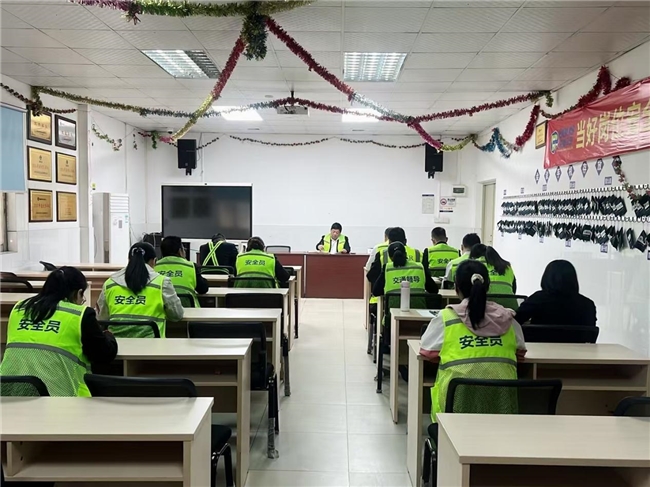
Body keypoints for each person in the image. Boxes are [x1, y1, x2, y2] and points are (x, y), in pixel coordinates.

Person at [420, 259, 526, 428]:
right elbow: (520, 355)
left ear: (456, 288)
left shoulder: (446, 318)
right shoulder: (508, 319)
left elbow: (428, 353)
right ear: (488, 286)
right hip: (502, 416)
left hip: (453, 417)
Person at [0, 267, 117, 396]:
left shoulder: (19, 308)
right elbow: (104, 355)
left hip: (10, 393)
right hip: (59, 396)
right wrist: (109, 335)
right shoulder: (80, 315)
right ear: (78, 293)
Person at [97, 242, 184, 338]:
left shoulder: (110, 283)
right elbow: (177, 315)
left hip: (116, 343)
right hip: (153, 343)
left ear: (129, 260)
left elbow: (101, 317)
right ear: (154, 261)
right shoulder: (162, 282)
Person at [515, 260, 597, 327]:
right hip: (576, 343)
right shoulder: (588, 304)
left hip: (541, 342)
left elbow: (515, 320)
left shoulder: (537, 299)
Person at [155, 236, 209, 307]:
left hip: (160, 309)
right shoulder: (191, 266)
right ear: (180, 251)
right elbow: (203, 289)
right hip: (188, 308)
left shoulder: (154, 267)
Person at [372, 242, 438, 297]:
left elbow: (376, 292)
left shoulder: (387, 268)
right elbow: (434, 290)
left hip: (393, 308)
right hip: (418, 308)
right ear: (405, 254)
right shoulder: (419, 267)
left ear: (390, 257)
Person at [469, 244, 518, 310]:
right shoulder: (507, 266)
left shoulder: (475, 264)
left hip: (487, 307)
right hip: (511, 307)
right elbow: (514, 288)